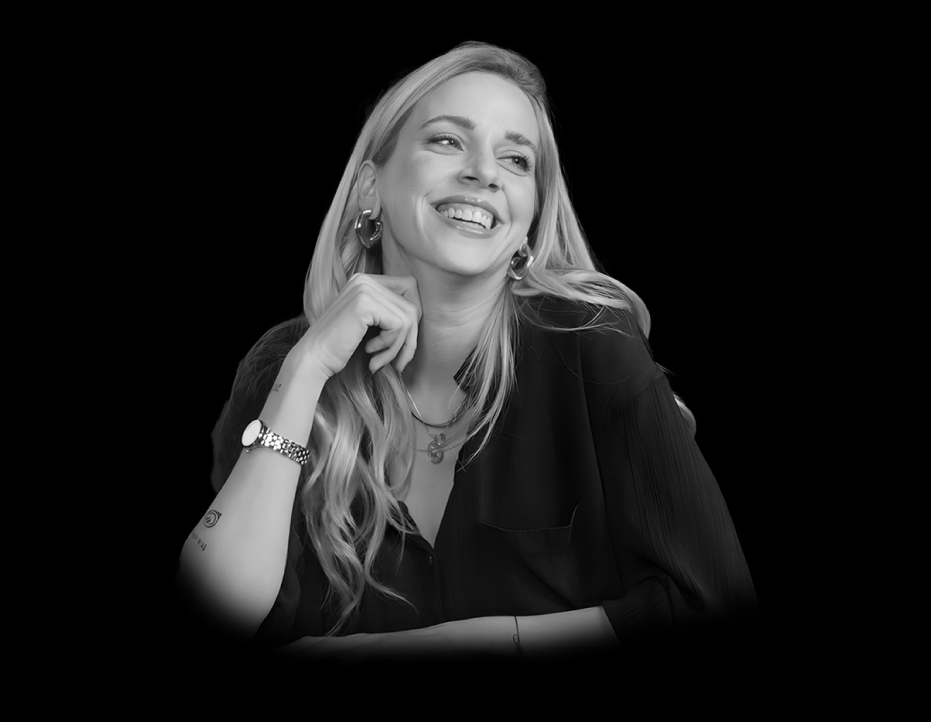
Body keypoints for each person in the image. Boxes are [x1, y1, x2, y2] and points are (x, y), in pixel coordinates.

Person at [176, 41, 757, 664]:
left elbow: (711, 601)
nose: (484, 172)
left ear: (530, 219)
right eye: (448, 140)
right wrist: (305, 370)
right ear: (371, 186)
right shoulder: (286, 365)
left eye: (515, 159)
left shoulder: (591, 343)